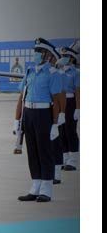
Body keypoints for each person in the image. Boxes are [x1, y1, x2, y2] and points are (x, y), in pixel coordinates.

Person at [14, 38, 63, 202]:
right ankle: (35, 186)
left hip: (43, 115)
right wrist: (17, 119)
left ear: (48, 55)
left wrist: (56, 123)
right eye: (36, 51)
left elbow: (56, 100)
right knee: (32, 152)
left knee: (45, 151)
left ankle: (46, 189)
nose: (36, 54)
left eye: (40, 51)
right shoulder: (29, 71)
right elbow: (22, 96)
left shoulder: (53, 74)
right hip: (29, 113)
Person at [59, 46, 80, 171]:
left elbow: (78, 91)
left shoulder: (76, 73)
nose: (63, 58)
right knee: (61, 131)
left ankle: (73, 160)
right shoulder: (58, 71)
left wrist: (78, 108)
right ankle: (64, 157)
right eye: (62, 56)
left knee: (70, 131)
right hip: (61, 102)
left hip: (71, 102)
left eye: (66, 56)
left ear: (72, 58)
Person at [48, 52, 67, 185]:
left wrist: (61, 113)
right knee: (47, 145)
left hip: (55, 111)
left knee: (56, 143)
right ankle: (49, 172)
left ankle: (57, 174)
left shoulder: (59, 75)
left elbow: (62, 96)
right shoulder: (46, 73)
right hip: (45, 111)